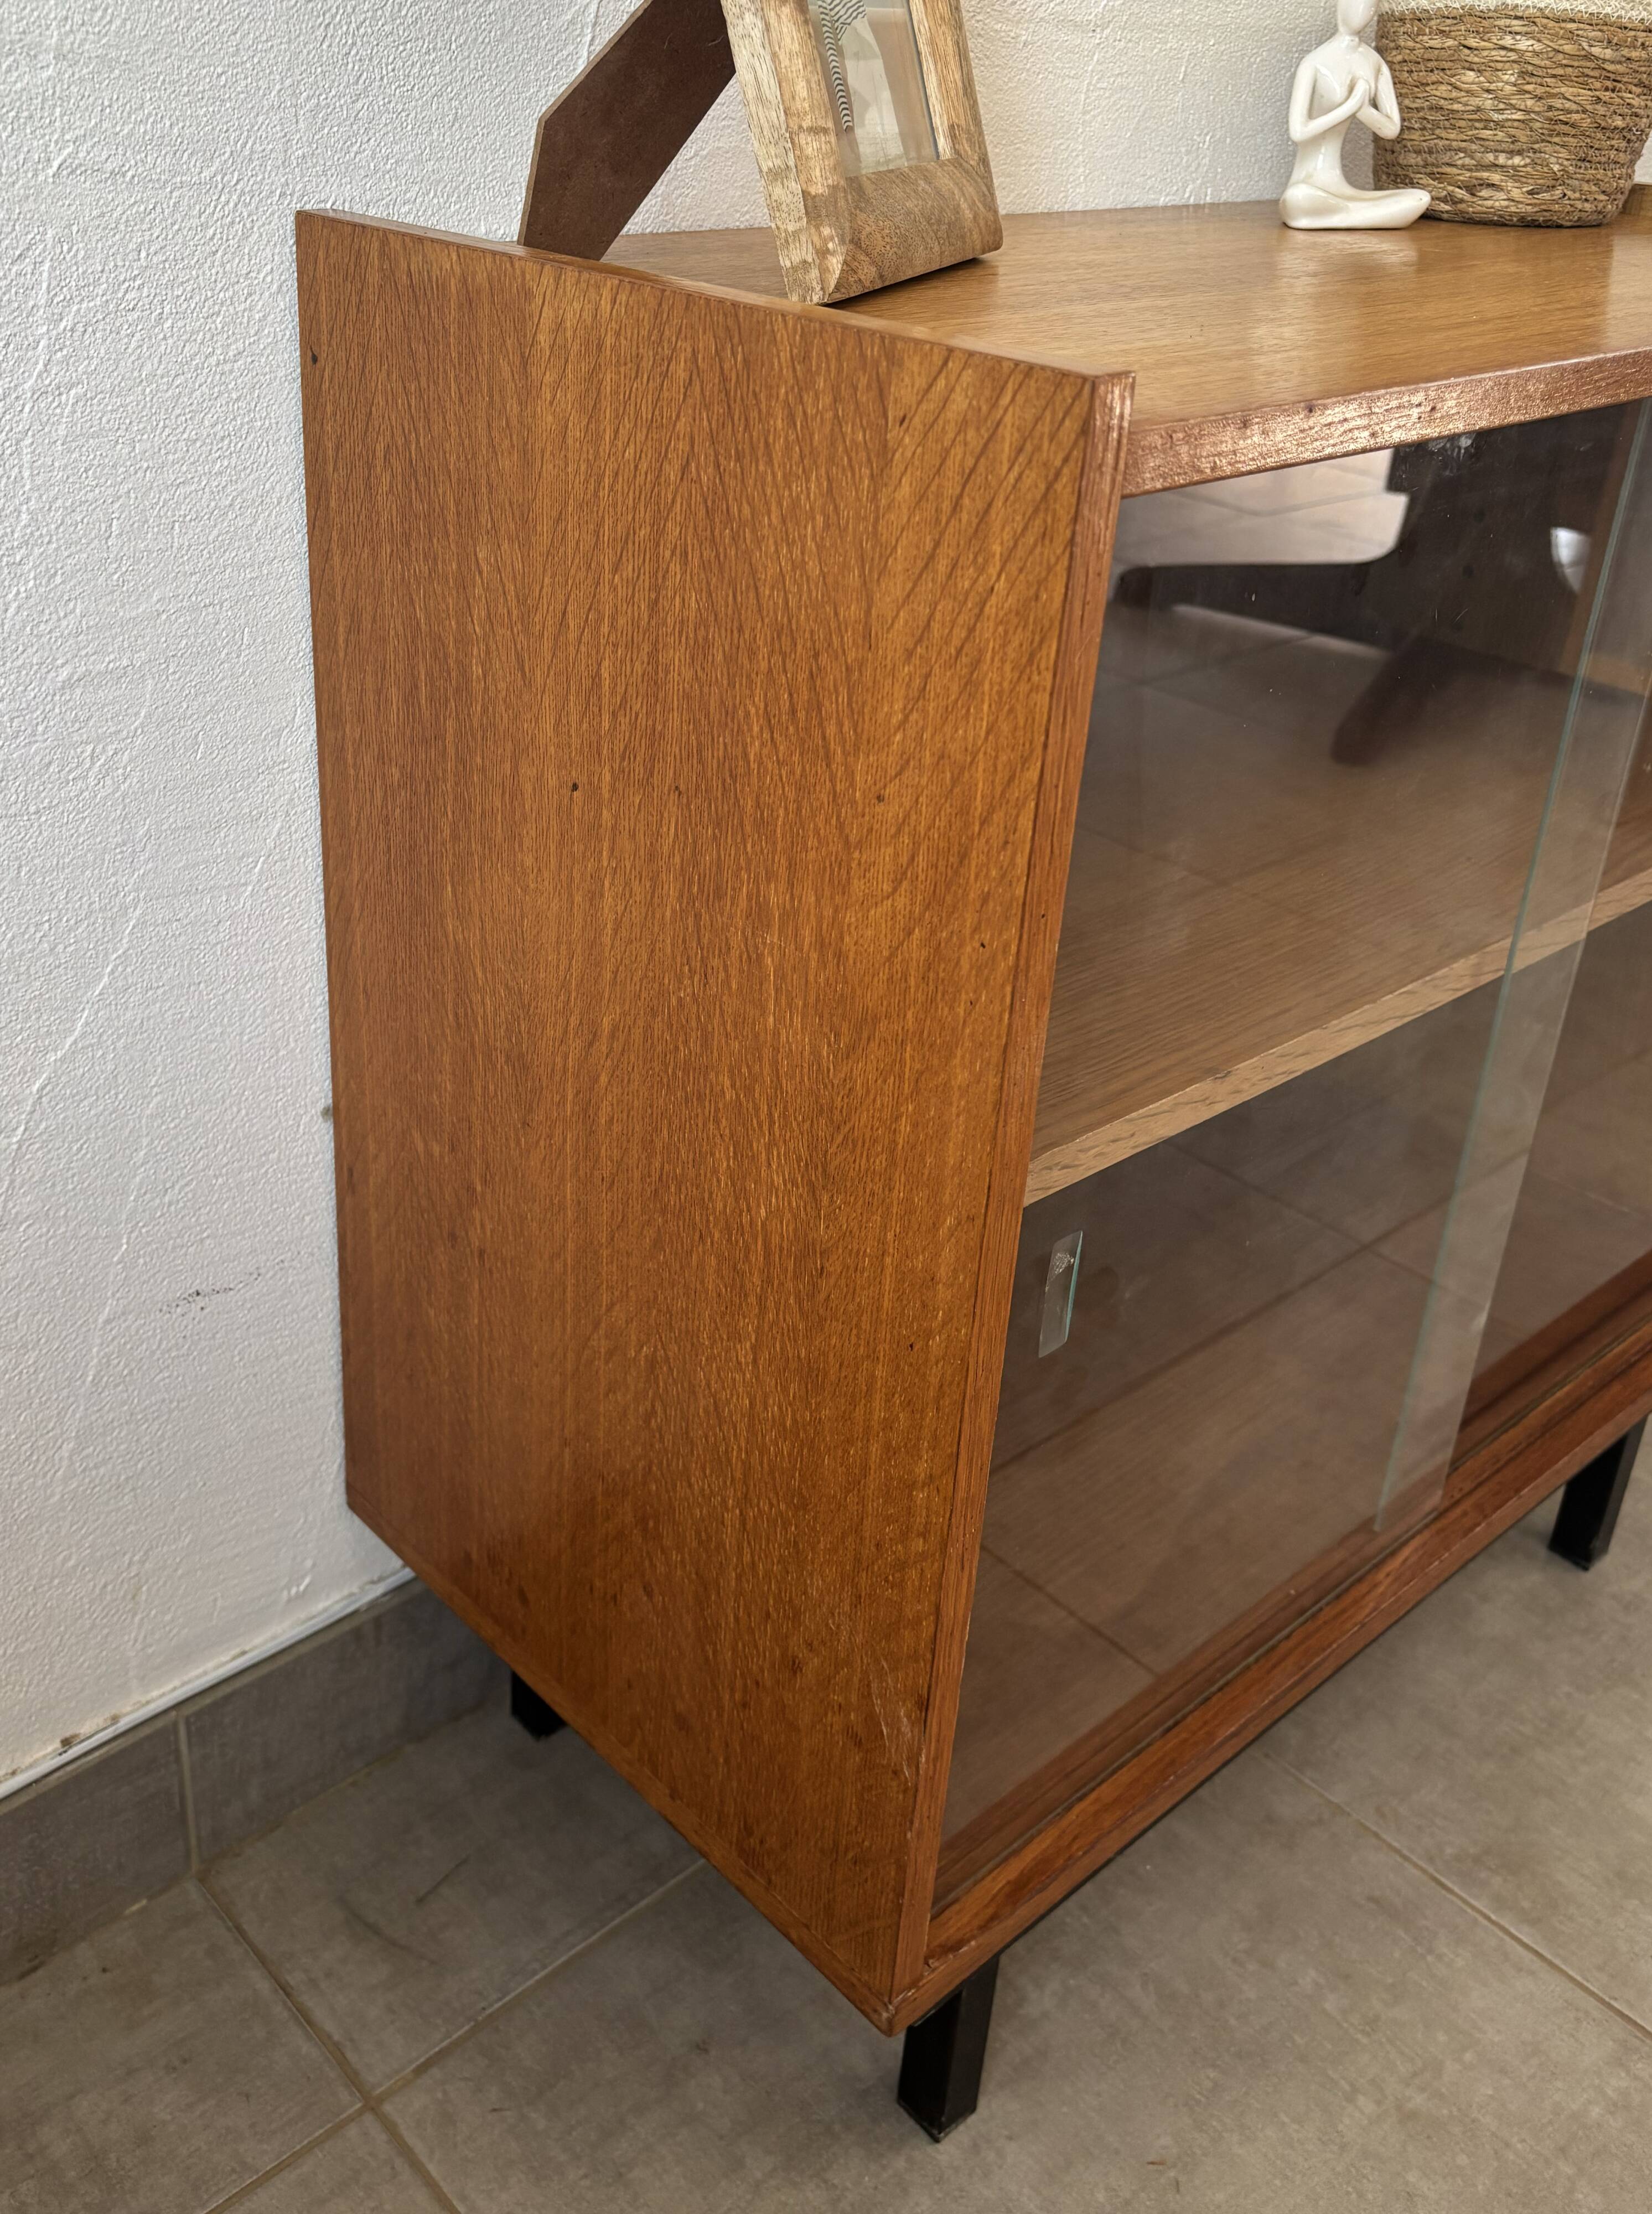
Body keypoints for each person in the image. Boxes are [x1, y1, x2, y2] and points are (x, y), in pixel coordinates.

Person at [1280, 0, 1431, 231]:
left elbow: (1391, 130)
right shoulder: (1314, 63)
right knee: (1297, 198)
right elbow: (1299, 132)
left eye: (1369, 6)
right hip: (1308, 185)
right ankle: (1350, 214)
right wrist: (1350, 107)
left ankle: (1343, 214)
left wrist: (1365, 110)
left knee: (1419, 198)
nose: (1360, 11)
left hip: (1339, 188)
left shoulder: (1373, 62)